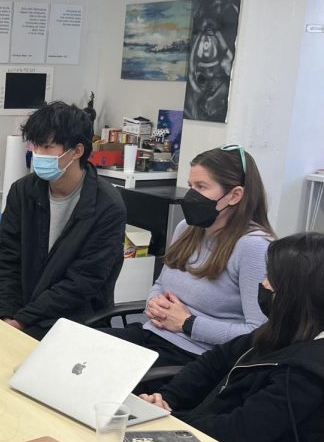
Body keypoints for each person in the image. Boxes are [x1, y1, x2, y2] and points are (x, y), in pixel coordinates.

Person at [42, 232, 324, 442]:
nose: (263, 285)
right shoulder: (280, 332)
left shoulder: (307, 373)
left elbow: (238, 436)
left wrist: (169, 422)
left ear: (294, 294)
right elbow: (212, 362)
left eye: (271, 282)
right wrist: (167, 397)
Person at [103, 145, 273, 367]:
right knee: (75, 345)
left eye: (201, 186)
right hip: (152, 336)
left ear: (234, 195)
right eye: (191, 185)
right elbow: (161, 284)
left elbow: (258, 333)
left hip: (194, 359)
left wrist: (188, 323)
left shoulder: (254, 247)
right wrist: (154, 303)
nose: (191, 195)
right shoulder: (187, 229)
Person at [0, 101, 127, 339]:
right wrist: (7, 314)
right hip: (21, 306)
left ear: (77, 151)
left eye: (47, 147)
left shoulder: (107, 207)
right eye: (35, 146)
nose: (38, 155)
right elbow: (7, 259)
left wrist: (22, 320)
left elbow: (82, 283)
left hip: (72, 316)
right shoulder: (23, 191)